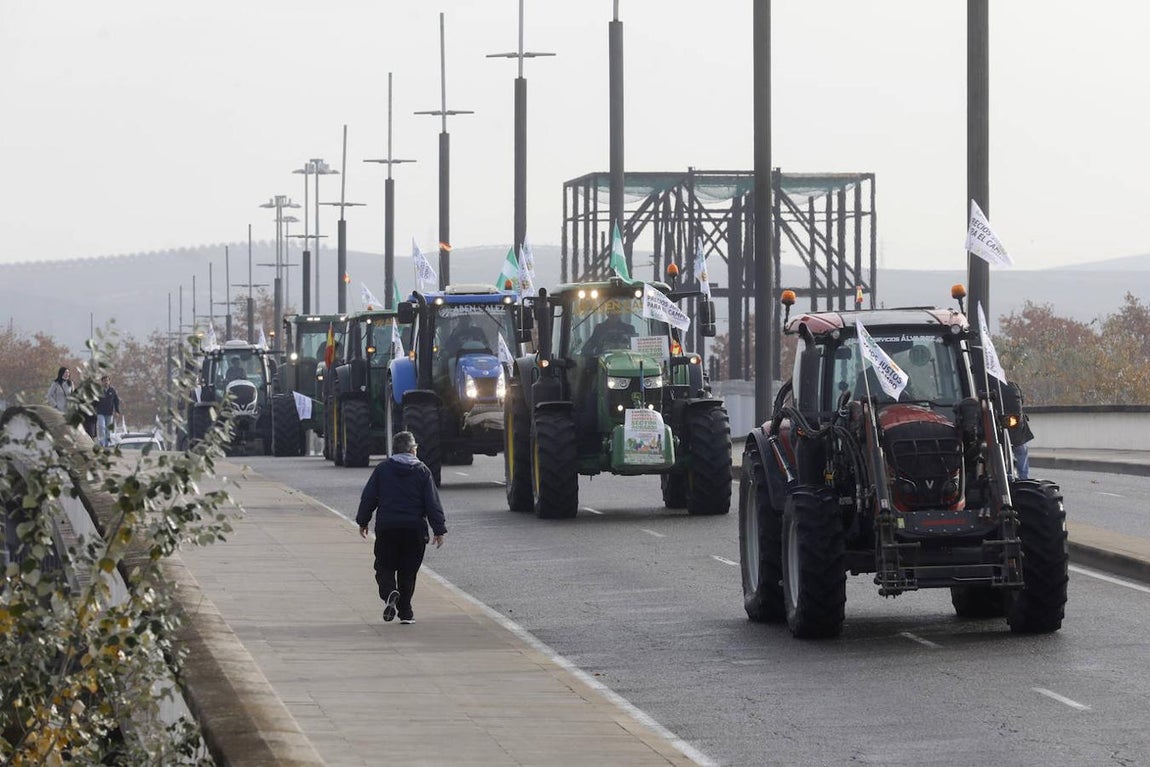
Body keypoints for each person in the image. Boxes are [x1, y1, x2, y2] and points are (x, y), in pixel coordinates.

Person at [356, 431, 446, 624]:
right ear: (413, 450)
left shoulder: (382, 470)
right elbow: (432, 503)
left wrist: (363, 521)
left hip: (387, 528)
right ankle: (406, 613)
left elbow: (369, 497)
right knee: (408, 571)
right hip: (415, 530)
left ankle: (389, 592)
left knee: (384, 566)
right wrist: (439, 529)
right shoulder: (423, 471)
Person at [1002, 380, 1035, 479]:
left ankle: (1008, 476)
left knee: (1004, 454)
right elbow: (1022, 401)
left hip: (1003, 428)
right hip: (1019, 429)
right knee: (1022, 453)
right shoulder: (1014, 386)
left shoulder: (995, 387)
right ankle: (1024, 478)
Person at [95, 374, 123, 447]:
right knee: (101, 426)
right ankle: (102, 441)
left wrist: (117, 411)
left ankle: (107, 443)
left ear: (109, 381)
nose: (106, 382)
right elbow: (94, 401)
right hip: (100, 412)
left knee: (108, 429)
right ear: (102, 382)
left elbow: (116, 401)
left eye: (107, 380)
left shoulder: (112, 390)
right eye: (104, 381)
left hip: (109, 413)